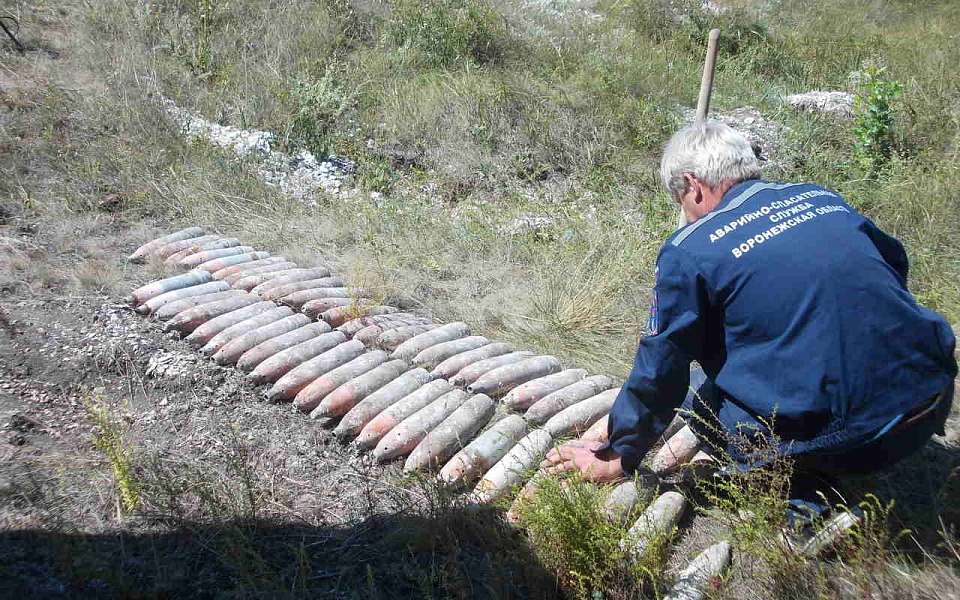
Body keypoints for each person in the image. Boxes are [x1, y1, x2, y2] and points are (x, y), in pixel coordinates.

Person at [541, 121, 957, 509]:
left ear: (693, 186)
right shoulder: (821, 197)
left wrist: (623, 453)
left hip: (856, 443)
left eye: (680, 201)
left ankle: (806, 502)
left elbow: (662, 366)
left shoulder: (690, 249)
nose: (684, 213)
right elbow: (893, 267)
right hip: (932, 395)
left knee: (703, 405)